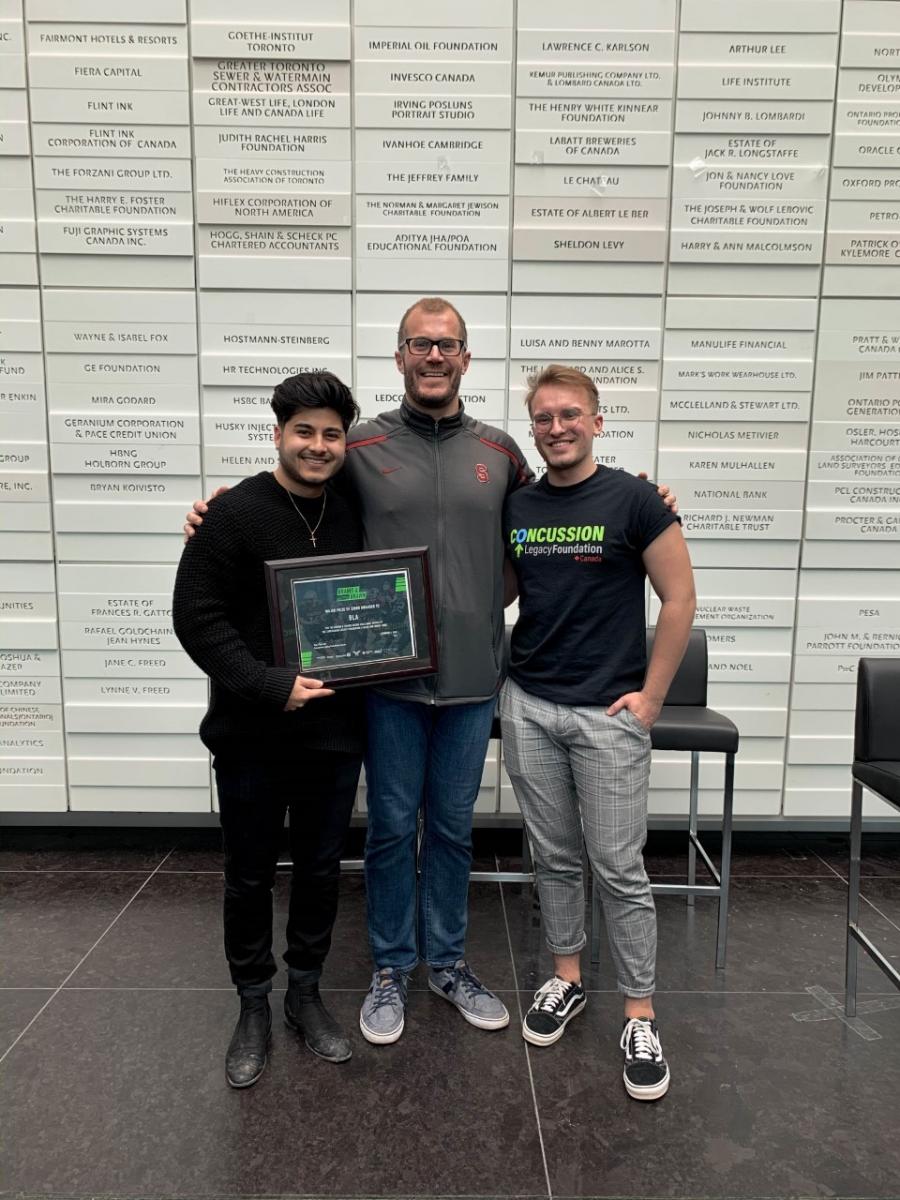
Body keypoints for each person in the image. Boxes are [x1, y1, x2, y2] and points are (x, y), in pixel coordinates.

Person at [185, 298, 677, 1048]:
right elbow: (298, 491)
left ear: (467, 358)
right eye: (420, 343)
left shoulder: (506, 452)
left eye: (448, 345)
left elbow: (549, 517)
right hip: (386, 686)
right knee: (388, 831)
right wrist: (220, 507)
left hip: (476, 684)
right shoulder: (363, 445)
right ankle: (390, 969)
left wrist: (643, 499)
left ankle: (446, 963)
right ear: (401, 357)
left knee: (449, 830)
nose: (434, 356)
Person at [499, 364, 696, 1102]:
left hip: (607, 717)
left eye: (570, 414)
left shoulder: (636, 499)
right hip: (531, 705)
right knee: (553, 857)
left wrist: (650, 699)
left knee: (619, 868)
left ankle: (640, 1013)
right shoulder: (517, 505)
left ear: (597, 421)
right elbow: (508, 586)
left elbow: (679, 599)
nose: (556, 427)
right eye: (544, 417)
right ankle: (567, 977)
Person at [172, 372, 364, 1088]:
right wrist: (267, 684)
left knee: (319, 872)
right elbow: (197, 618)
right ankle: (253, 1003)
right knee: (249, 876)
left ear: (346, 440)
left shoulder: (351, 512)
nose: (318, 446)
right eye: (304, 431)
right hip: (250, 736)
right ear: (279, 433)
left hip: (337, 734)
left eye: (331, 433)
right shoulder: (234, 513)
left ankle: (304, 994)